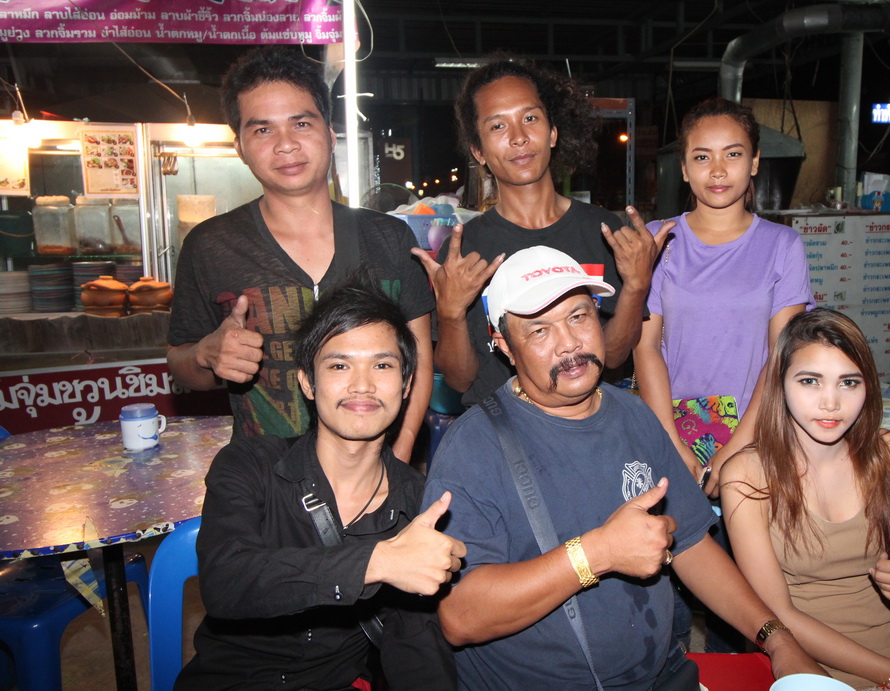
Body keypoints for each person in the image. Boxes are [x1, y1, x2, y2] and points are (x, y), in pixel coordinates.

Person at [422, 246, 825, 689]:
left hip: (661, 674)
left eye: (579, 316)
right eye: (539, 330)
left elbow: (691, 543)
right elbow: (460, 617)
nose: (569, 343)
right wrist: (597, 553)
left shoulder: (632, 414)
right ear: (505, 347)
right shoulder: (474, 447)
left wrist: (776, 639)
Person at [177, 276, 464, 690]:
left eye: (382, 365)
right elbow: (226, 582)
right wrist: (376, 563)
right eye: (339, 365)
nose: (362, 384)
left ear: (405, 385)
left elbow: (415, 649)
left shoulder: (417, 505)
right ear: (308, 383)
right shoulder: (250, 465)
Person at [167, 47, 434, 460]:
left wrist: (397, 462)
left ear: (330, 133)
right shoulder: (209, 245)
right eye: (263, 130)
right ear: (240, 147)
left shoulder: (390, 238)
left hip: (377, 471)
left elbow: (418, 362)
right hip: (261, 478)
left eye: (301, 123)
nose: (286, 145)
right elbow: (181, 366)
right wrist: (206, 354)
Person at [720, 309, 890, 689]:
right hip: (805, 656)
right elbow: (778, 613)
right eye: (810, 381)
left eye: (848, 382)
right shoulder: (747, 475)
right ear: (779, 384)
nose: (830, 402)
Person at [412, 55, 670, 408]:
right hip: (498, 429)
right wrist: (450, 313)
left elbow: (611, 357)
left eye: (530, 118)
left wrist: (637, 286)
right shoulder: (465, 250)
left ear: (552, 132)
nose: (518, 138)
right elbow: (460, 380)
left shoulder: (605, 234)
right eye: (498, 126)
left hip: (585, 425)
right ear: (478, 151)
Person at [633, 97, 813, 496]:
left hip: (757, 430)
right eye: (702, 157)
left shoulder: (783, 245)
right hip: (670, 426)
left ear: (754, 162)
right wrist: (670, 441)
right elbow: (645, 346)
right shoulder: (658, 238)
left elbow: (781, 355)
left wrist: (736, 448)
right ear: (684, 168)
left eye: (733, 154)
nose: (717, 170)